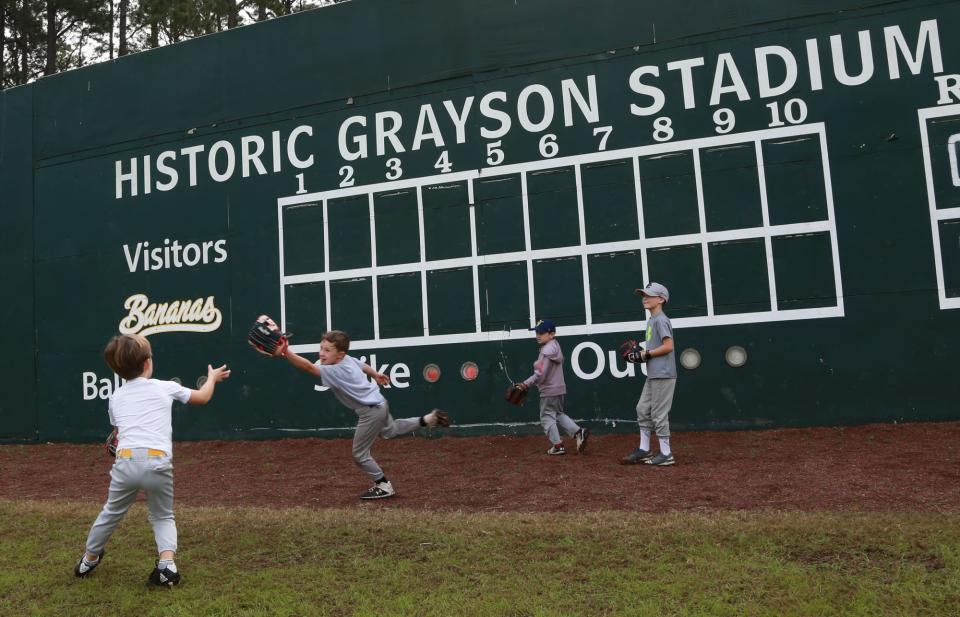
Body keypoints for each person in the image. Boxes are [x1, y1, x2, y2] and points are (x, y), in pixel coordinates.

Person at [75, 334, 231, 585]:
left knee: (111, 513)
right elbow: (203, 397)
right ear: (148, 363)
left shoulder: (115, 397)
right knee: (162, 515)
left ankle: (89, 558)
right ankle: (167, 565)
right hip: (158, 462)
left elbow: (117, 434)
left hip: (125, 462)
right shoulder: (164, 387)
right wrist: (212, 379)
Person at [279, 329, 450, 499]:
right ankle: (428, 419)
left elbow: (308, 367)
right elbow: (362, 366)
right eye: (321, 348)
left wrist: (286, 351)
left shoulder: (337, 370)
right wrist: (375, 374)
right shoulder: (346, 360)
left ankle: (383, 485)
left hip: (371, 412)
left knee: (359, 455)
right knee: (390, 431)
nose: (322, 354)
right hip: (380, 403)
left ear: (340, 354)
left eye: (327, 350)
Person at [621, 282, 677, 466]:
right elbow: (656, 349)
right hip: (654, 373)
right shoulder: (652, 320)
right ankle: (644, 449)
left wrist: (645, 354)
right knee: (642, 409)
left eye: (649, 295)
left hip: (664, 373)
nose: (644, 298)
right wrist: (640, 357)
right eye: (643, 295)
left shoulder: (661, 319)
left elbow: (669, 346)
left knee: (659, 414)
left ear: (661, 299)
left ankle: (666, 453)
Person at [516, 319, 589, 455]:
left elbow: (539, 374)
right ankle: (579, 432)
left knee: (546, 418)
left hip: (548, 390)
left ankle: (558, 445)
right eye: (537, 332)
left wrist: (526, 383)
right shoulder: (555, 345)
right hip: (559, 388)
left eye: (542, 332)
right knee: (558, 414)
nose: (538, 335)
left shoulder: (545, 352)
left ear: (552, 334)